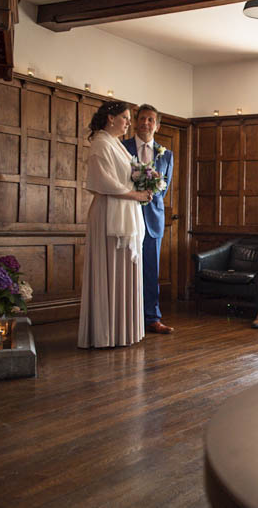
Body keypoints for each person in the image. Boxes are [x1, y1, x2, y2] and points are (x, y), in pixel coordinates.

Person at [78, 101, 153, 348]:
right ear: (110, 118)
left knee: (124, 270)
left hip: (124, 211)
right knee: (110, 269)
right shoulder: (100, 143)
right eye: (125, 117)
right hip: (109, 213)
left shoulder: (116, 144)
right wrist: (136, 195)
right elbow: (101, 181)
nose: (129, 123)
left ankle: (122, 330)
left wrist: (145, 187)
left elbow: (127, 177)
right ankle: (106, 331)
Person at [122, 104, 175, 334]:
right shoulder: (122, 148)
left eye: (150, 120)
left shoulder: (166, 154)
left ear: (157, 125)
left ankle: (152, 318)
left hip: (153, 220)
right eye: (142, 119)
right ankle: (125, 317)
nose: (145, 123)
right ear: (135, 122)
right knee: (125, 269)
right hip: (125, 215)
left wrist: (149, 192)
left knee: (151, 272)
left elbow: (163, 189)